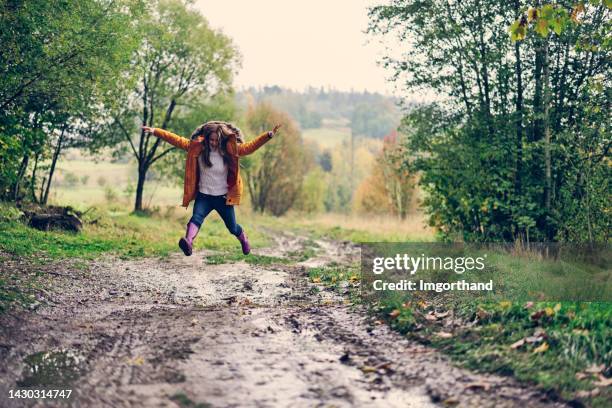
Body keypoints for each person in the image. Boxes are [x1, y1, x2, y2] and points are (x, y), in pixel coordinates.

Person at [141, 121, 281, 256]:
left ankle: (243, 238)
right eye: (211, 140)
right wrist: (155, 131)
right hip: (204, 196)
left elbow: (250, 147)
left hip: (223, 198)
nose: (213, 143)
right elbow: (176, 140)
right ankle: (188, 243)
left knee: (232, 227)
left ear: (221, 139)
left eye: (216, 140)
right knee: (196, 218)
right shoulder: (198, 147)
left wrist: (268, 135)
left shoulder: (230, 149)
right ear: (206, 139)